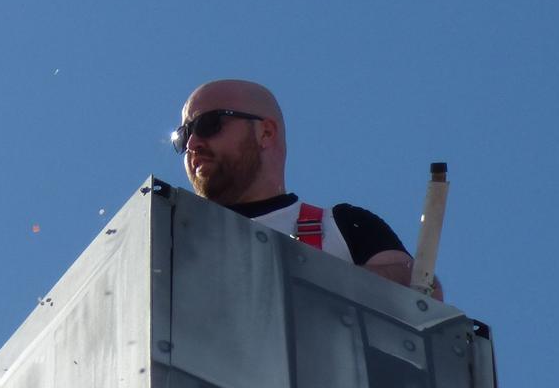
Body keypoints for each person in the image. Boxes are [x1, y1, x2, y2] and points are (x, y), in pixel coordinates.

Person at [172, 79, 420, 289]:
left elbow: (421, 291)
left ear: (266, 133)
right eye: (183, 136)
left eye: (209, 124)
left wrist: (306, 281)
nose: (193, 144)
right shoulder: (170, 242)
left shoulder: (342, 227)